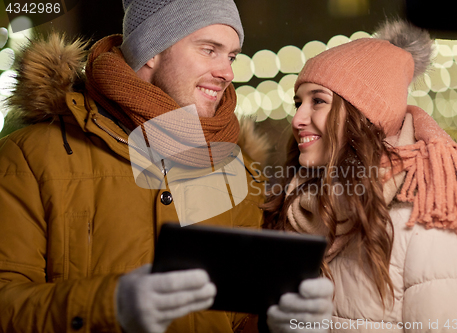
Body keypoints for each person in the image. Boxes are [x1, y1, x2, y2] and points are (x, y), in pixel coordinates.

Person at [0, 0, 334, 332]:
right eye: (209, 50)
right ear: (151, 50)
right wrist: (110, 304)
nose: (228, 72)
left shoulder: (238, 169)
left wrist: (274, 324)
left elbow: (237, 314)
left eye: (231, 56)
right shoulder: (30, 158)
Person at [263, 19, 457, 332]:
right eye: (298, 102)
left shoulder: (432, 219)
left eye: (318, 101)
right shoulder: (309, 207)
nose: (298, 118)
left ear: (365, 113)